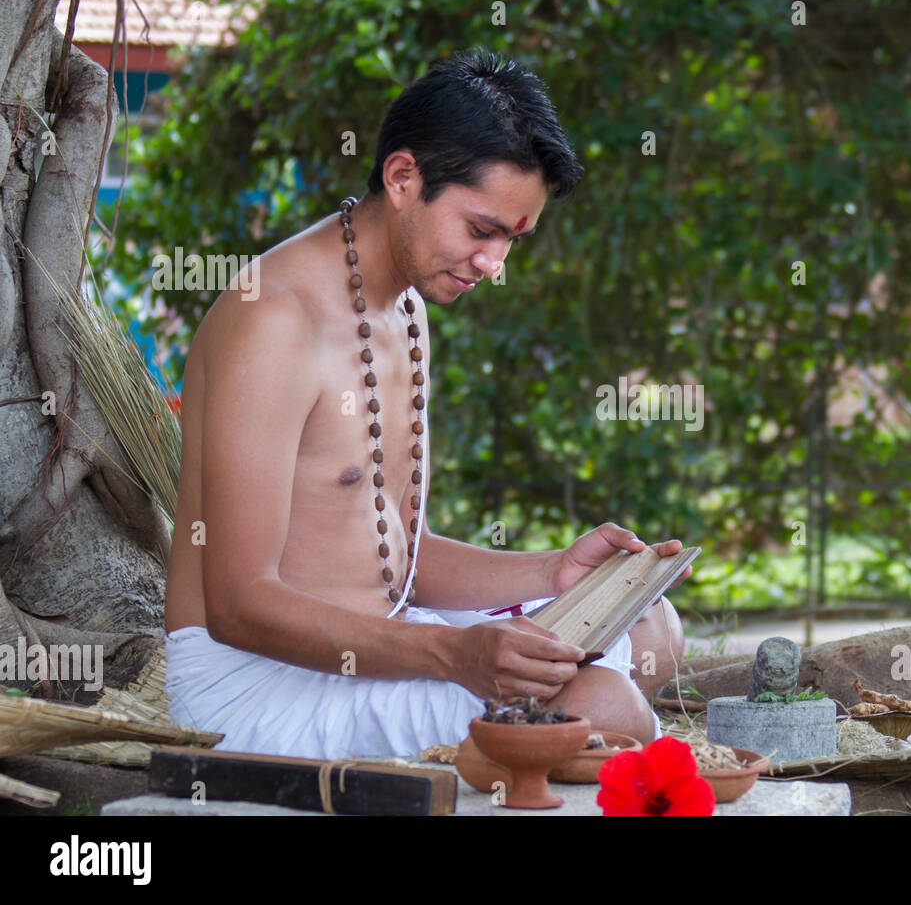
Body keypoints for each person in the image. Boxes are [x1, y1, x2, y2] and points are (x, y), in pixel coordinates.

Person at [161, 49, 688, 760]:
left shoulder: (407, 303)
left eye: (512, 240)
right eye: (481, 230)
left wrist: (553, 573)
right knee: (602, 702)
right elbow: (236, 604)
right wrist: (452, 654)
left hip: (380, 638)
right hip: (255, 687)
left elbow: (390, 558)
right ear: (403, 178)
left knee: (652, 626)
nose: (494, 264)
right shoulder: (275, 319)